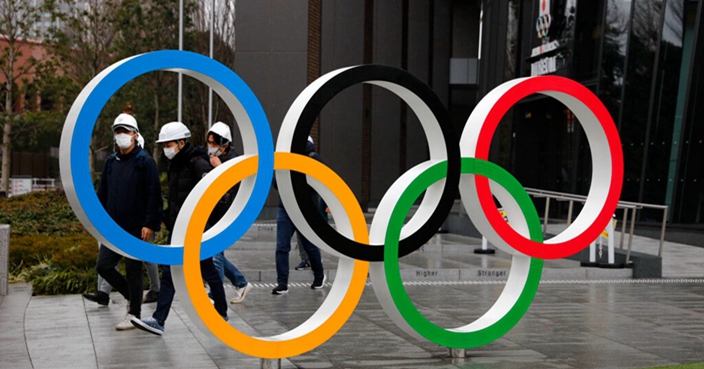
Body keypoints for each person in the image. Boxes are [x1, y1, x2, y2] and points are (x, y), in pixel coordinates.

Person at [131, 121, 228, 336]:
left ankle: (221, 312)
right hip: (178, 228)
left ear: (181, 143)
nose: (166, 148)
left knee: (207, 270)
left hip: (195, 229)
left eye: (169, 143)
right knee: (171, 272)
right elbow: (177, 198)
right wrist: (168, 216)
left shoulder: (198, 163)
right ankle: (159, 320)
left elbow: (214, 196)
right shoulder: (175, 165)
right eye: (164, 144)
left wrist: (203, 223)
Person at [85, 113, 162, 330]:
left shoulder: (145, 162)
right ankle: (132, 296)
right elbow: (103, 194)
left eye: (125, 131)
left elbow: (153, 195)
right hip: (113, 227)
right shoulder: (111, 161)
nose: (120, 135)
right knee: (104, 266)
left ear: (135, 135)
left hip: (136, 228)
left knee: (133, 268)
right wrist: (97, 221)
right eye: (117, 131)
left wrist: (149, 224)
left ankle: (134, 314)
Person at [272, 136, 326, 295]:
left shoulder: (312, 157)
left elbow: (323, 180)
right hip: (286, 207)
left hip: (305, 208)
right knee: (281, 246)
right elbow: (275, 181)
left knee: (309, 245)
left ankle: (319, 275)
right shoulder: (284, 156)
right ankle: (282, 283)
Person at [206, 122, 252, 304]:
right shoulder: (210, 157)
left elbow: (234, 186)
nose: (211, 146)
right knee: (214, 253)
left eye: (214, 142)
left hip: (225, 214)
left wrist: (219, 168)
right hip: (213, 212)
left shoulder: (233, 160)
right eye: (209, 142)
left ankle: (214, 293)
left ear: (225, 144)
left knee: (214, 254)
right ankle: (240, 282)